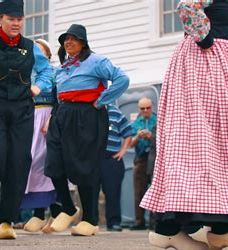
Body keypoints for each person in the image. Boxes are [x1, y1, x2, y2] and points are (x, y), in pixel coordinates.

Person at [140, 0, 228, 250]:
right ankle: (175, 227)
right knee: (198, 139)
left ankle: (222, 227)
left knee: (226, 139)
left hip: (221, 61)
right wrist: (205, 39)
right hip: (205, 61)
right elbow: (188, 5)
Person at [0, 0, 52, 240]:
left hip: (22, 109)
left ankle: (6, 220)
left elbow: (47, 71)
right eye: (10, 19)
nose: (15, 23)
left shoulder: (31, 47)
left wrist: (38, 87)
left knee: (19, 160)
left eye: (19, 19)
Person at [44, 23, 129, 236]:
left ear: (83, 42)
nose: (68, 42)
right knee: (53, 163)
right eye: (66, 39)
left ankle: (90, 220)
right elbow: (57, 94)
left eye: (73, 38)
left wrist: (102, 101)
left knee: (84, 166)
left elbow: (122, 78)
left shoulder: (96, 61)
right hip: (62, 115)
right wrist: (53, 115)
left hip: (86, 116)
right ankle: (69, 208)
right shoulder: (62, 68)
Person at [21, 38, 60, 233]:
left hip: (47, 116)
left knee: (46, 162)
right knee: (31, 162)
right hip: (29, 117)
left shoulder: (53, 72)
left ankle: (55, 209)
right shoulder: (25, 72)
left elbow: (59, 98)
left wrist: (51, 118)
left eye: (40, 50)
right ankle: (39, 211)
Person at [94, 104, 134, 232]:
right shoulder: (88, 111)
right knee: (91, 192)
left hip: (112, 159)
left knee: (113, 193)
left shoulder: (115, 113)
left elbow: (128, 132)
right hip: (93, 159)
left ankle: (114, 222)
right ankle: (91, 222)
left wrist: (123, 150)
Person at [129, 97, 157, 230]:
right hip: (140, 158)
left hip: (155, 159)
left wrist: (151, 136)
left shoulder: (158, 120)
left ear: (152, 107)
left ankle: (154, 221)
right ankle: (139, 221)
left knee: (155, 189)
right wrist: (138, 137)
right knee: (139, 191)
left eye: (148, 108)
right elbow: (129, 144)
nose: (145, 111)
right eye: (142, 108)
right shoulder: (135, 124)